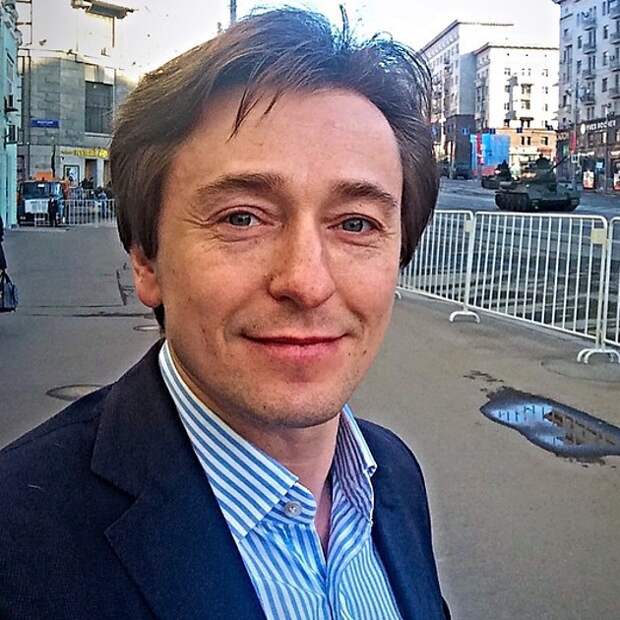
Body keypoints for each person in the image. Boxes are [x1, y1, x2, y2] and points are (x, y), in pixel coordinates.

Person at [0, 8, 448, 619]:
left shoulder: (393, 478)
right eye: (242, 217)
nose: (307, 283)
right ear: (146, 259)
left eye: (355, 224)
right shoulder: (20, 546)